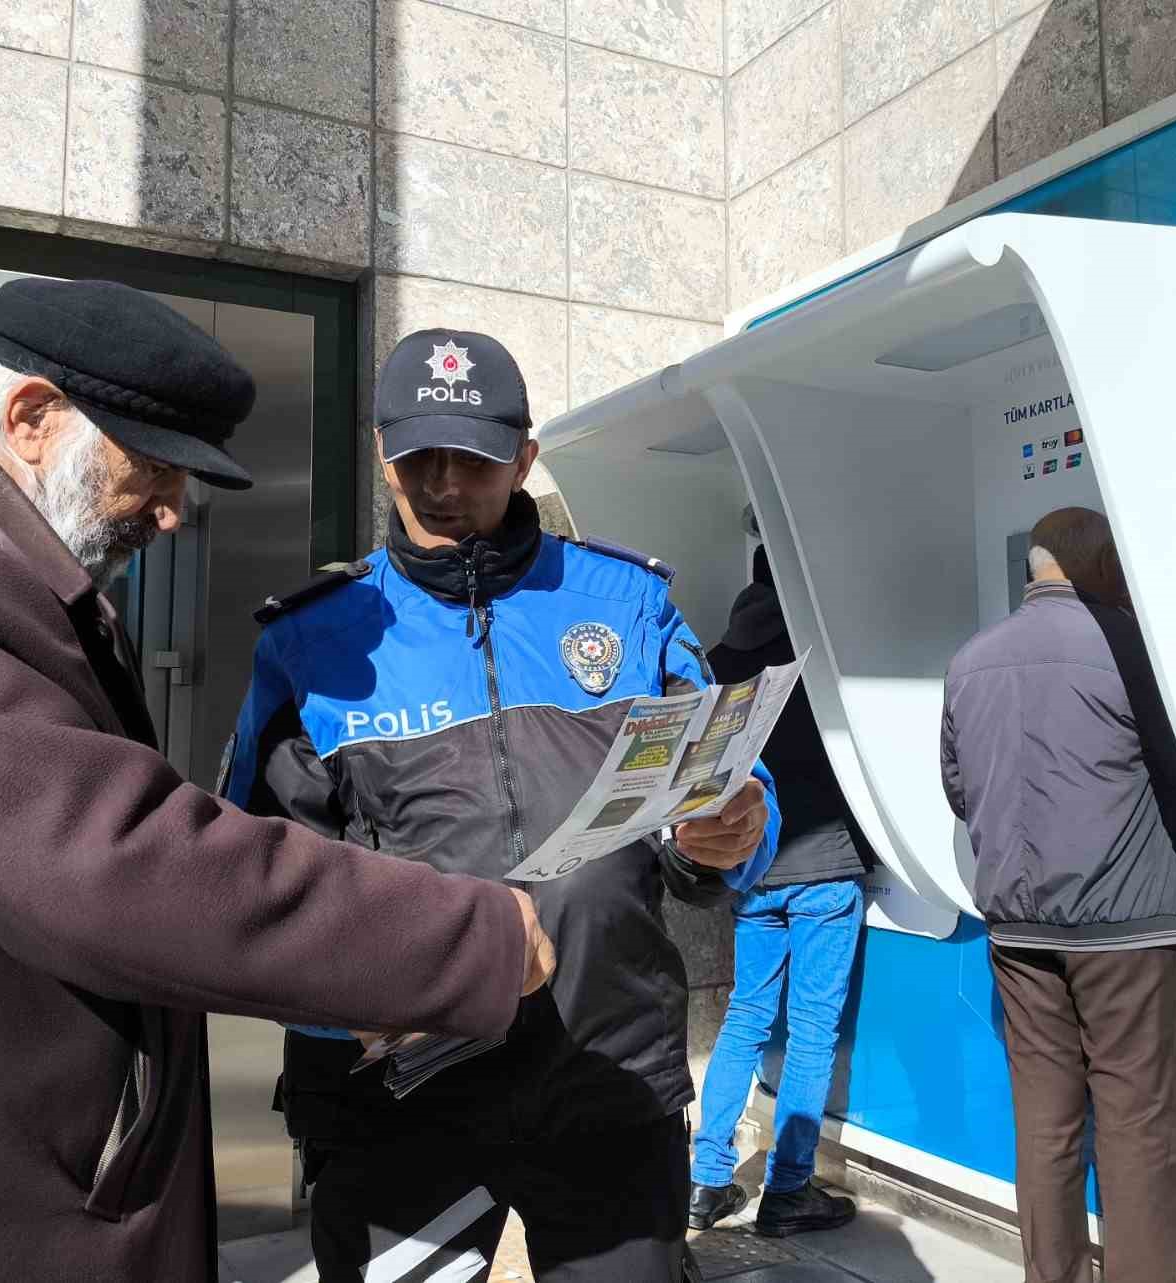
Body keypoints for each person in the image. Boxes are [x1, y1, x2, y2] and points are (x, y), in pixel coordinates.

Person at [0, 280, 555, 1283]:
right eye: (153, 468)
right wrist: (468, 936)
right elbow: (122, 862)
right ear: (30, 417)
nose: (175, 512)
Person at [225, 328, 781, 1282]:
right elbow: (263, 868)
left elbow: (723, 774)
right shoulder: (314, 640)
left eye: (475, 458)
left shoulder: (627, 602)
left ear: (524, 456)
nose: (444, 483)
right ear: (382, 455)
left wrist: (737, 826)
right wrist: (335, 1020)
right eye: (419, 458)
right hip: (403, 1096)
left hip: (604, 1071)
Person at [940, 506, 1176, 1283]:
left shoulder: (970, 658)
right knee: (1138, 1125)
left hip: (1018, 927)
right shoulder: (1129, 645)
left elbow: (959, 790)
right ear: (1105, 567)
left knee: (1046, 1123)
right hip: (1125, 924)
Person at [687, 542, 867, 1238]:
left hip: (755, 867)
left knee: (745, 1018)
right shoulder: (823, 648)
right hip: (825, 866)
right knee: (813, 1031)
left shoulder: (717, 660)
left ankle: (706, 1182)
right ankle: (788, 1191)